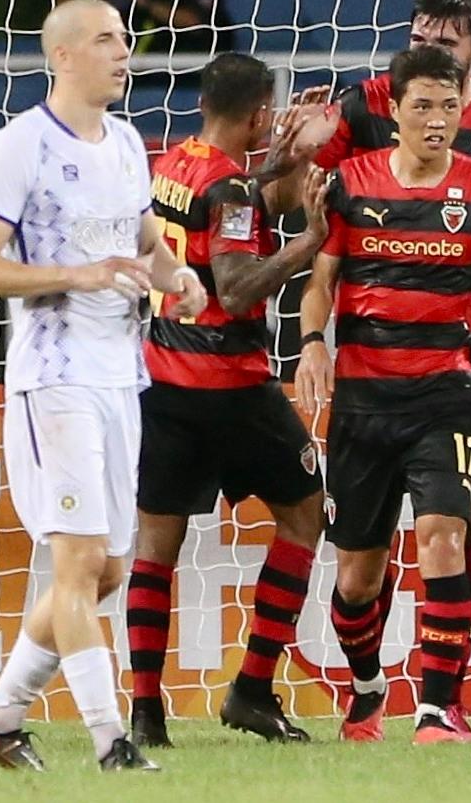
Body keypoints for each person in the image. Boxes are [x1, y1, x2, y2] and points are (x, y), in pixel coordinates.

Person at [0, 0, 207, 772]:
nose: (122, 53)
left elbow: (144, 240)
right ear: (62, 55)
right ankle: (111, 740)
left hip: (119, 375)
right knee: (76, 564)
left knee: (106, 569)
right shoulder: (16, 146)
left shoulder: (130, 143)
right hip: (54, 376)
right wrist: (78, 274)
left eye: (125, 41)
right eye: (105, 40)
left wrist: (179, 277)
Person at [296, 46, 471, 745]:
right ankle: (366, 685)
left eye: (449, 106)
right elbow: (321, 276)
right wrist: (312, 340)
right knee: (356, 577)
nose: (437, 119)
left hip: (449, 394)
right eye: (423, 106)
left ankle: (438, 709)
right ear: (393, 109)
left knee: (444, 536)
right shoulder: (348, 185)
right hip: (362, 398)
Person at [124, 54, 336, 747]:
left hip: (161, 379)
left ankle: (146, 710)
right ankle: (250, 686)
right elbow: (239, 286)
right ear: (254, 115)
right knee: (305, 514)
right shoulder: (233, 193)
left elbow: (223, 192)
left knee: (156, 545)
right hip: (232, 387)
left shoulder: (173, 163)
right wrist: (308, 240)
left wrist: (269, 167)